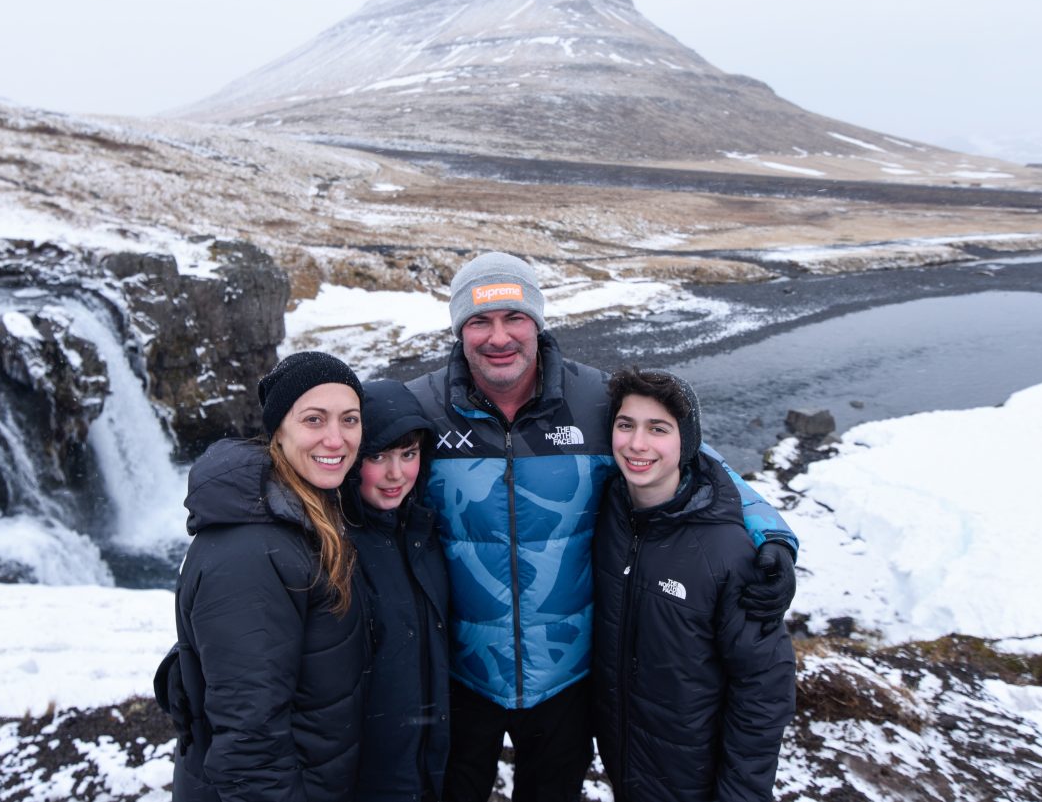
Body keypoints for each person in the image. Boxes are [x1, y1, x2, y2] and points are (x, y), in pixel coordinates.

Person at [404, 251, 799, 802]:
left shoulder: (595, 400)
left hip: (568, 677)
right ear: (458, 330)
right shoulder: (421, 408)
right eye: (479, 321)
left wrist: (770, 535)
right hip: (458, 674)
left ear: (538, 323)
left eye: (515, 317)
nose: (499, 337)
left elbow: (698, 461)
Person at [163, 351, 369, 802]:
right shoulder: (252, 551)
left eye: (350, 420)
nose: (336, 439)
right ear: (278, 429)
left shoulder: (304, 510)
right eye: (314, 419)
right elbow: (249, 745)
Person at [592, 368, 796, 802]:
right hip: (624, 759)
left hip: (696, 777)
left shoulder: (727, 552)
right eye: (626, 425)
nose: (637, 444)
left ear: (687, 442)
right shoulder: (606, 515)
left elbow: (764, 688)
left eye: (658, 429)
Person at [342, 380, 452, 802]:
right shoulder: (330, 547)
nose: (396, 474)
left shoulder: (422, 531)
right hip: (364, 776)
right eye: (377, 456)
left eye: (409, 454)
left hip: (426, 762)